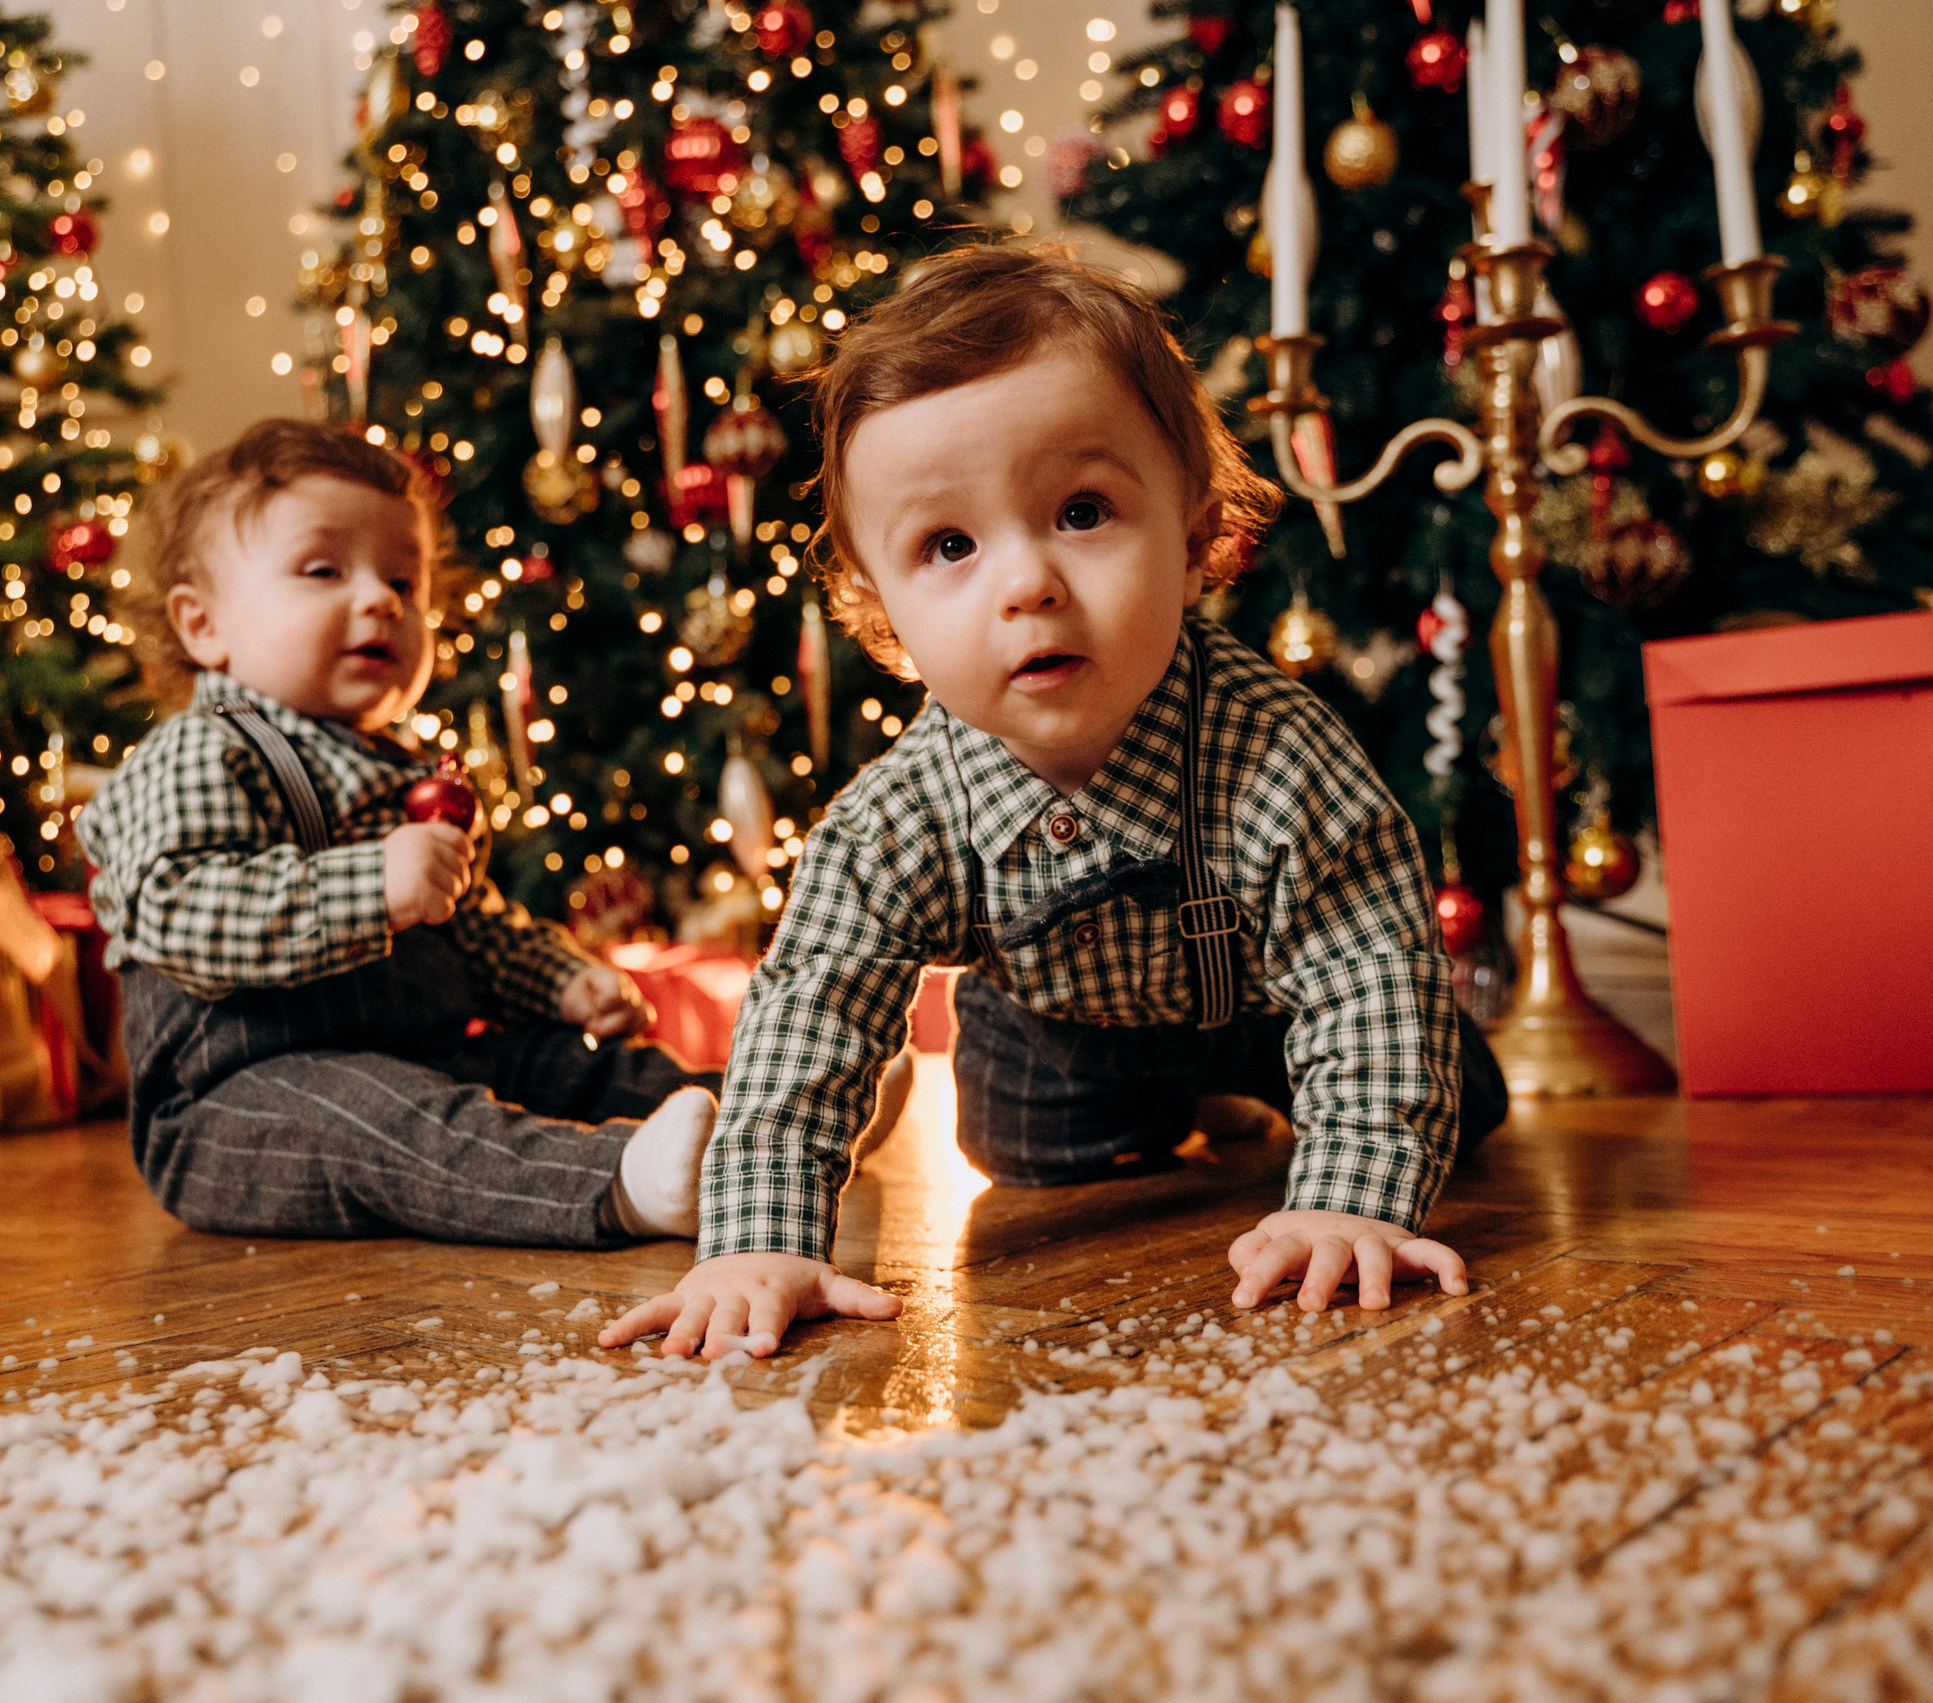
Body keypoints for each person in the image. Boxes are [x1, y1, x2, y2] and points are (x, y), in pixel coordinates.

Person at [602, 246, 1509, 1361]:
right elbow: (812, 1016)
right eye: (948, 546)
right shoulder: (898, 819)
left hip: (1283, 1008)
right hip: (1057, 1030)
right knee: (1025, 1149)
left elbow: (1365, 972)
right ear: (876, 602)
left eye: (1081, 510)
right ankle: (1173, 1109)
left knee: (1447, 1092)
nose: (1024, 582)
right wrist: (759, 1239)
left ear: (1192, 530)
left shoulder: (1279, 755)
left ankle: (1277, 1105)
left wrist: (1353, 1197)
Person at [78, 419, 719, 1248]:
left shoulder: (409, 772)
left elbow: (473, 928)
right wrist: (370, 885)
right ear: (206, 628)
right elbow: (175, 912)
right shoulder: (206, 750)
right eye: (322, 570)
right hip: (240, 1109)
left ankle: (767, 1122)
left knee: (559, 1061)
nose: (380, 599)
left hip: (430, 1059)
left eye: (404, 582)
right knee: (391, 1117)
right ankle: (618, 1183)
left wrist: (561, 981)